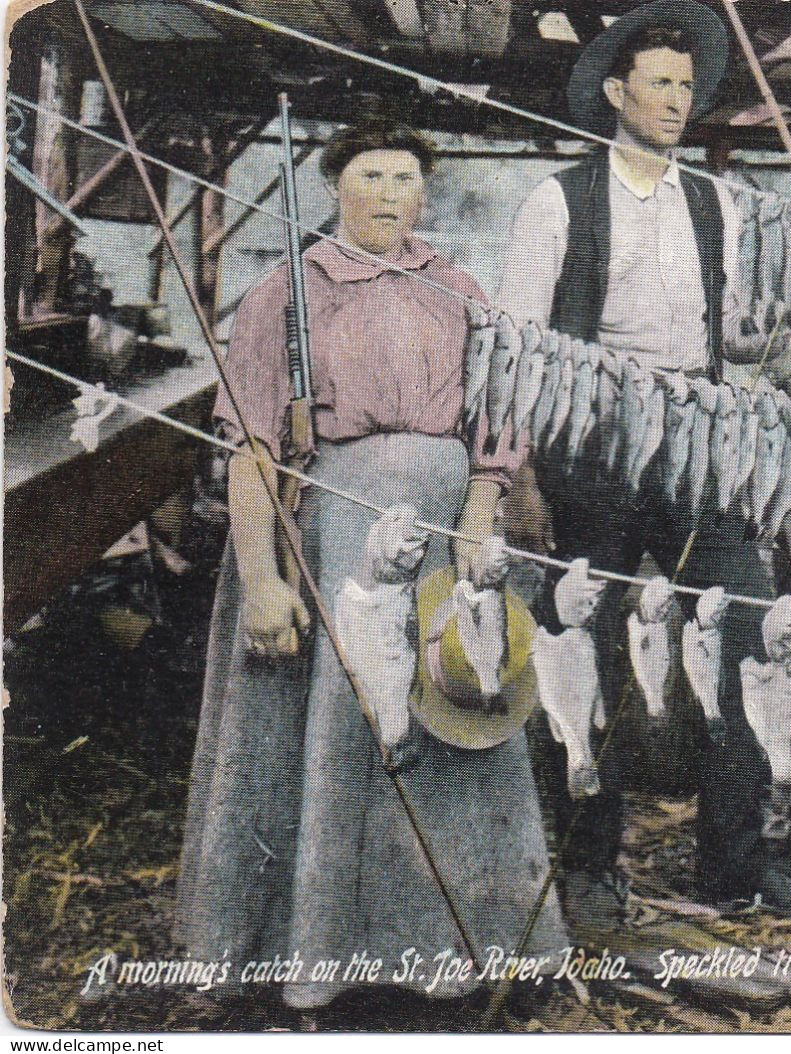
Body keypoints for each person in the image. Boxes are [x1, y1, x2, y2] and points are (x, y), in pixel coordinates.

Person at [176, 116, 567, 1012]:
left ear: (425, 194)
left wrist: (478, 518)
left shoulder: (459, 290)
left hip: (442, 538)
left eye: (405, 179)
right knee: (337, 733)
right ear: (334, 189)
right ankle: (308, 955)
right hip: (328, 543)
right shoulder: (286, 293)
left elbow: (499, 422)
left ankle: (452, 955)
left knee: (450, 719)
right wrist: (266, 580)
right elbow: (252, 448)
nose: (391, 195)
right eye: (372, 177)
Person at [497, 0, 791, 928]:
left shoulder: (715, 201)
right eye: (660, 83)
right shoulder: (554, 201)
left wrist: (783, 321)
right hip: (592, 447)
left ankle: (735, 864)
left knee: (751, 628)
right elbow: (518, 347)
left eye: (688, 85)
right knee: (587, 645)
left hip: (697, 443)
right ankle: (589, 865)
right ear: (615, 92)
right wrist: (517, 473)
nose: (678, 100)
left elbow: (736, 333)